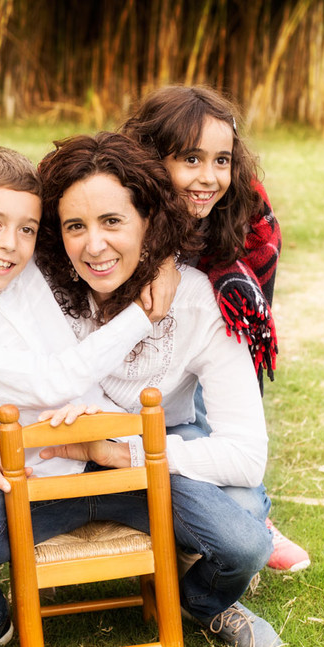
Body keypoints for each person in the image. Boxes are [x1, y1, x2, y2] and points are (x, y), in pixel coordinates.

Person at [0, 134, 283, 647]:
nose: (93, 245)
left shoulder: (191, 297)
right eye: (73, 228)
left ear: (148, 224)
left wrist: (108, 448)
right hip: (39, 472)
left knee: (246, 539)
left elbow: (243, 455)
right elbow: (13, 385)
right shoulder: (30, 275)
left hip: (130, 464)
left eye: (113, 222)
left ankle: (203, 604)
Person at [121, 85, 310, 573]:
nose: (209, 178)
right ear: (149, 160)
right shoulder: (112, 198)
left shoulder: (247, 216)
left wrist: (174, 263)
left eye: (221, 160)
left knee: (224, 405)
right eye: (190, 158)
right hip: (114, 380)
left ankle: (253, 515)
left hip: (197, 355)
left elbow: (240, 358)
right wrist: (157, 251)